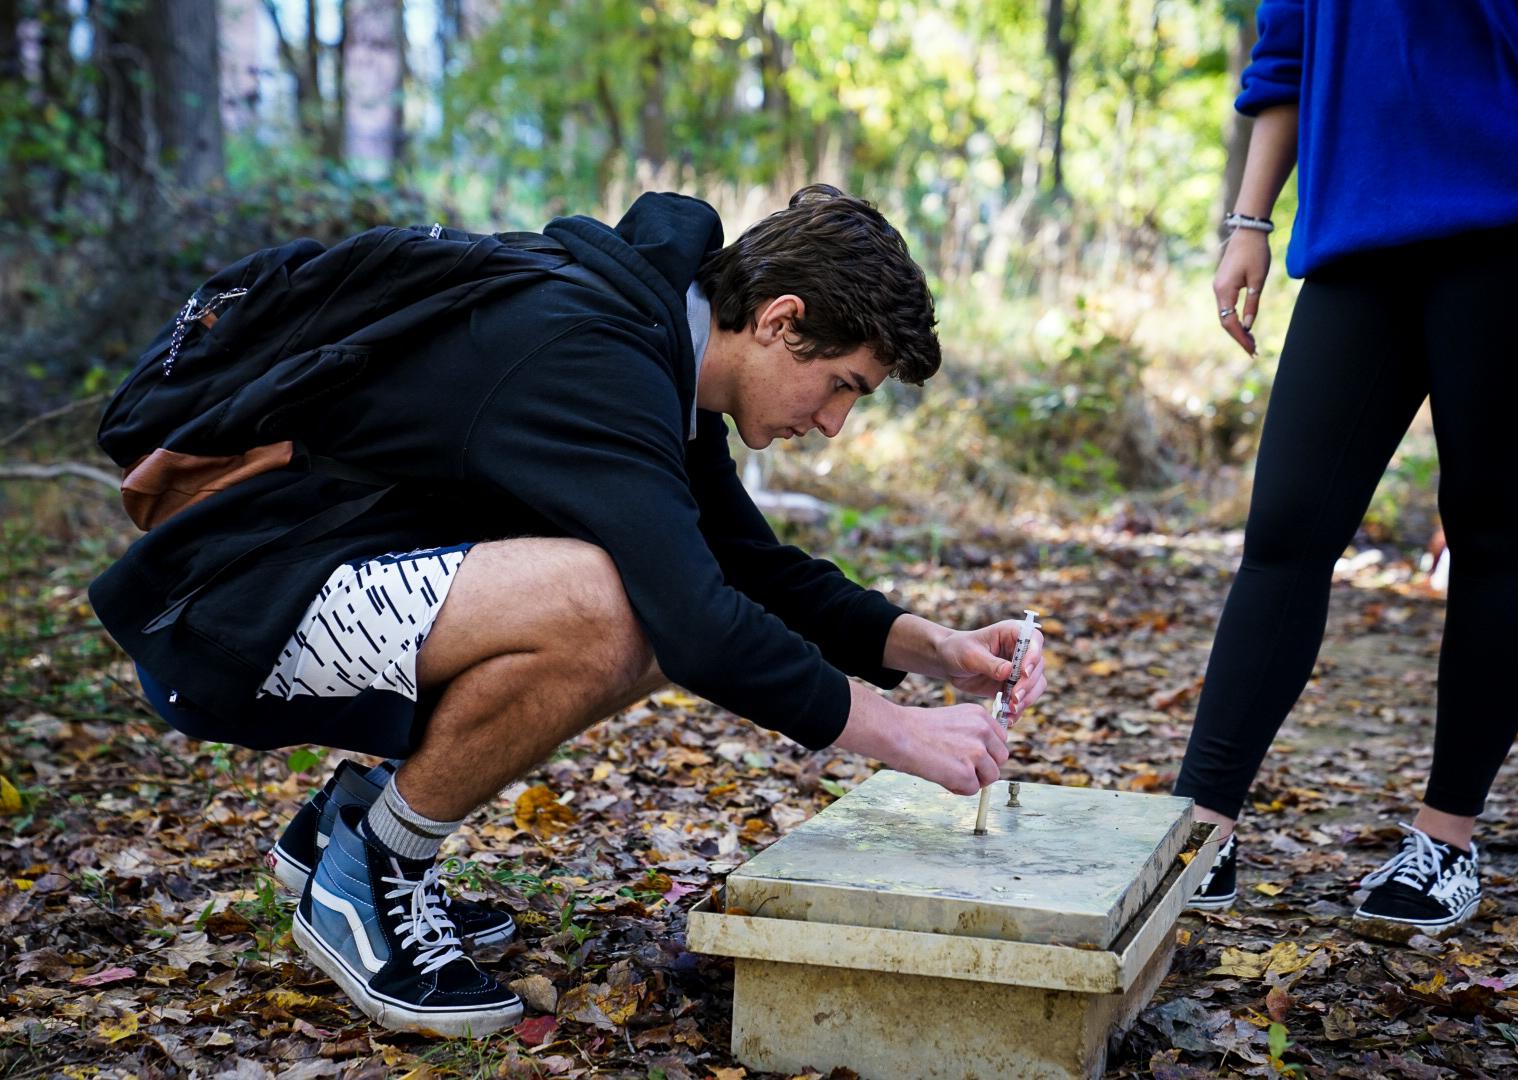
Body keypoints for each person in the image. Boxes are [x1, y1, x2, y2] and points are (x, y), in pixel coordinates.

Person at [90, 185, 1047, 1035]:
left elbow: (743, 563)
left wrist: (929, 649)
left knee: (652, 593)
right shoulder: (595, 355)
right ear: (779, 318)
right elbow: (701, 621)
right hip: (232, 604)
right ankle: (370, 873)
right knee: (615, 606)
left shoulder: (659, 354)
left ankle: (348, 820)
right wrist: (897, 734)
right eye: (841, 385)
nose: (834, 422)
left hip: (310, 572)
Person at [1175, 1, 1518, 938]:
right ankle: (1201, 826)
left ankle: (1446, 839)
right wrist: (1249, 220)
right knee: (1285, 528)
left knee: (1495, 530)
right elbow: (1287, 45)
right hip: (1357, 234)